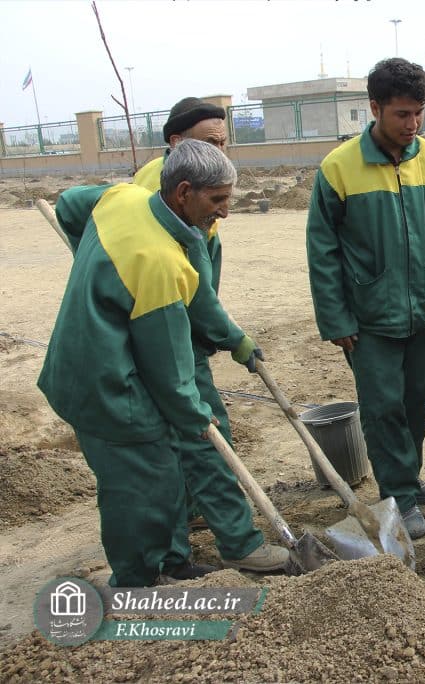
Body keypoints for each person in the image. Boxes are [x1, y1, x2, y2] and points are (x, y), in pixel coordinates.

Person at [37, 141, 277, 587]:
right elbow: (171, 373)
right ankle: (136, 582)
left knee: (164, 471)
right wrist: (196, 415)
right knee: (142, 484)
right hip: (105, 385)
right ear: (184, 192)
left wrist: (234, 339)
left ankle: (172, 562)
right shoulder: (158, 262)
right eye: (218, 199)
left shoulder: (122, 198)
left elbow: (68, 205)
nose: (225, 212)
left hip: (86, 364)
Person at [306, 58, 425, 540]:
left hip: (416, 311)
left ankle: (408, 479)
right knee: (383, 410)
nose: (413, 123)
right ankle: (397, 495)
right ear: (375, 108)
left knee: (416, 401)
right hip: (367, 319)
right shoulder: (339, 168)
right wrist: (336, 318)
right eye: (402, 114)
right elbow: (322, 250)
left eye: (419, 112)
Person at [131, 98, 289, 575]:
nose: (220, 153)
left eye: (224, 143)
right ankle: (239, 542)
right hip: (166, 332)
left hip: (176, 327)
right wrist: (234, 338)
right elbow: (195, 293)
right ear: (177, 144)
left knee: (176, 442)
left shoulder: (182, 185)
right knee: (206, 432)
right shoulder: (168, 201)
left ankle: (184, 524)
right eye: (209, 143)